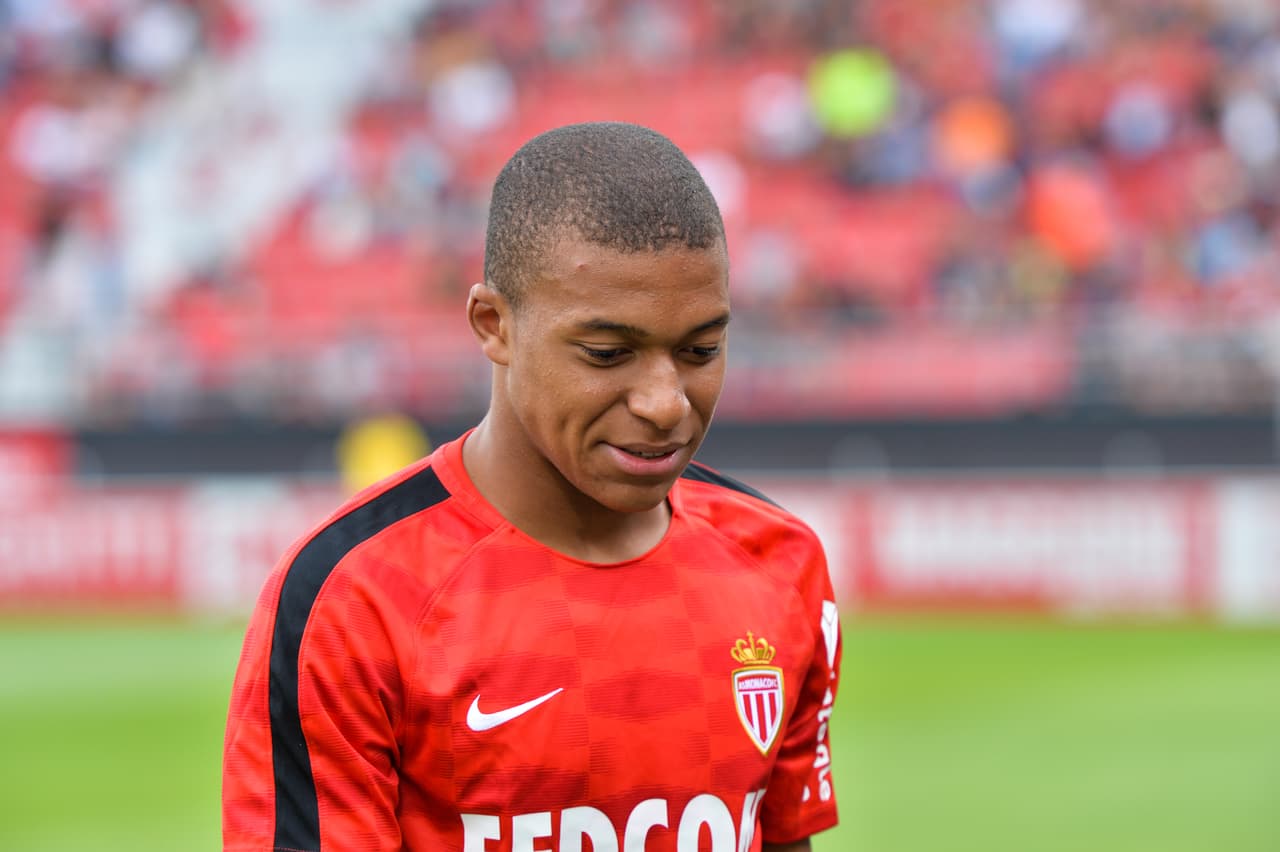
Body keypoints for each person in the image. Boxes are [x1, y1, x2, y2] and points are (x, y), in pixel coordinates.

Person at [222, 121, 841, 851]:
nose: (666, 400)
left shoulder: (778, 560)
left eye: (700, 349)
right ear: (494, 325)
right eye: (609, 353)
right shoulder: (354, 602)